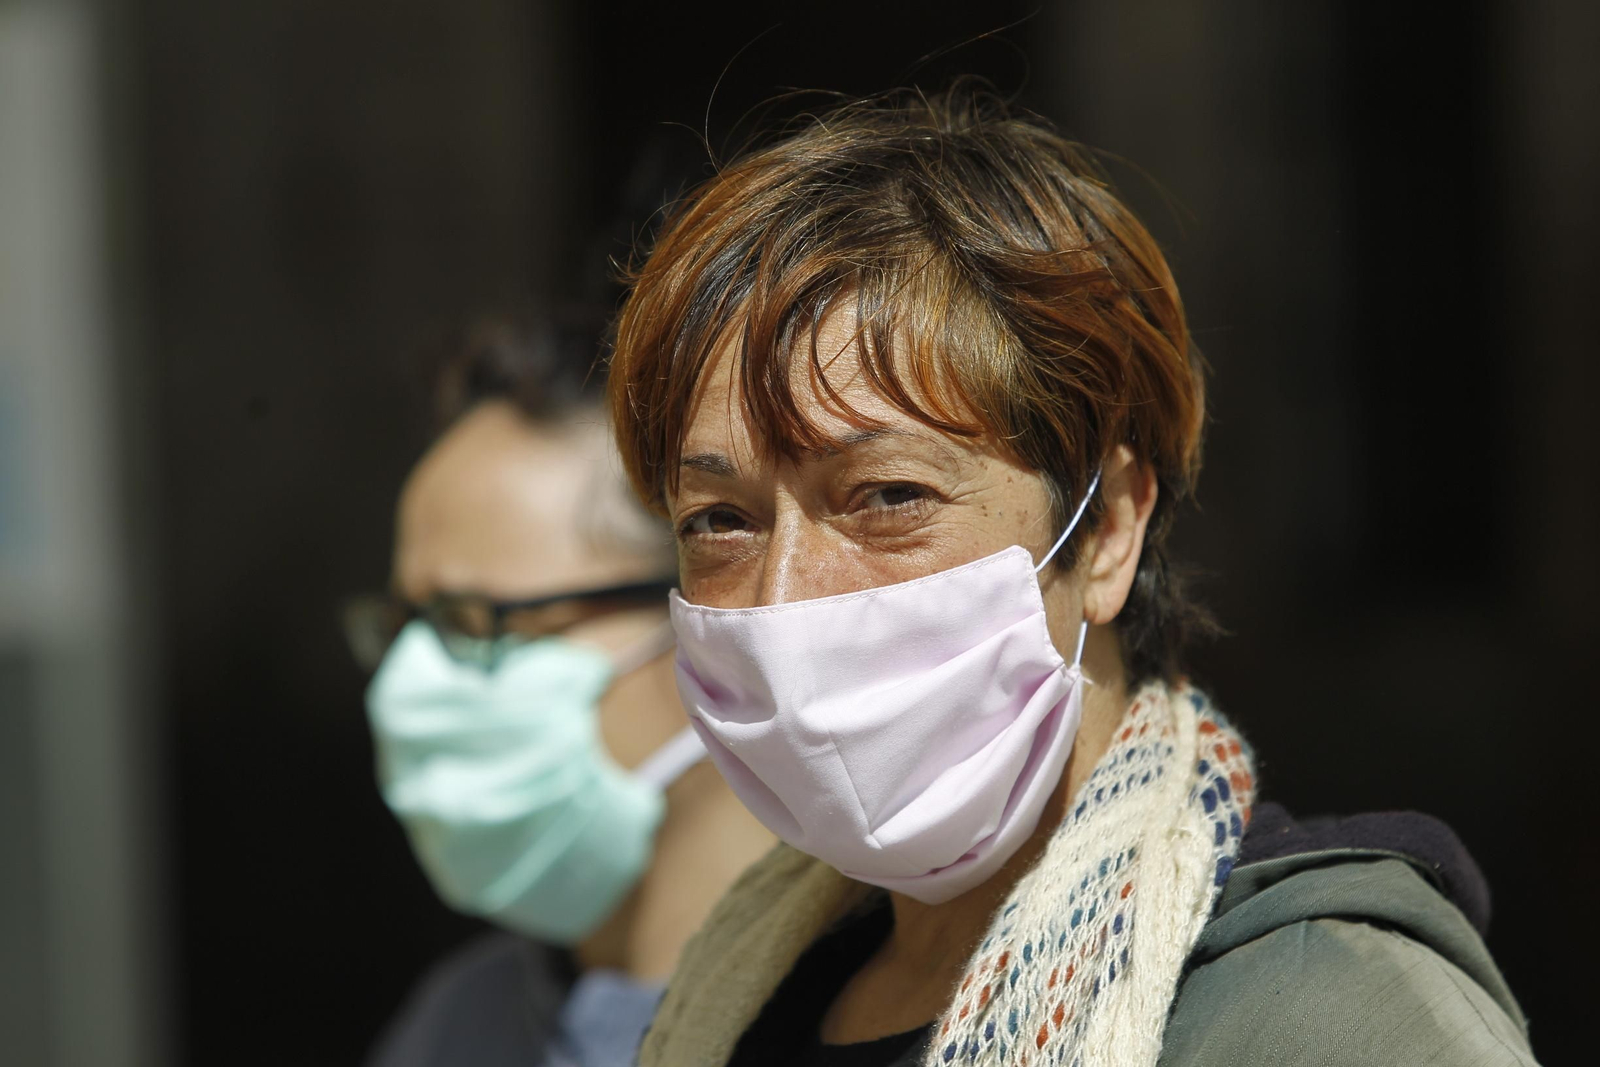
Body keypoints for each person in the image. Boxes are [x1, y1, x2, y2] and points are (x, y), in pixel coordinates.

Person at [602, 85, 1540, 1067]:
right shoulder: (736, 1002)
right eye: (719, 519)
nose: (782, 593)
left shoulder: (1325, 1017)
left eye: (885, 495)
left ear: (1107, 531)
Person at [344, 316, 772, 1067]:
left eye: (470, 621)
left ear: (704, 611)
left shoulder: (884, 1008)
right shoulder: (458, 1027)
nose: (410, 679)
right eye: (402, 624)